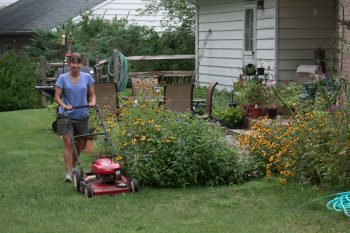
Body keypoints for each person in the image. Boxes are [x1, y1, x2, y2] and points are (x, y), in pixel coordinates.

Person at [54, 53, 96, 182]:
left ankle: (72, 168)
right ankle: (68, 173)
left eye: (78, 63)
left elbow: (92, 95)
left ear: (81, 64)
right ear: (69, 64)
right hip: (65, 116)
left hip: (82, 116)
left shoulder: (87, 77)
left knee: (80, 144)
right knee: (68, 142)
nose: (75, 66)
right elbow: (57, 97)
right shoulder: (62, 78)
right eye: (73, 63)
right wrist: (64, 105)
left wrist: (92, 102)